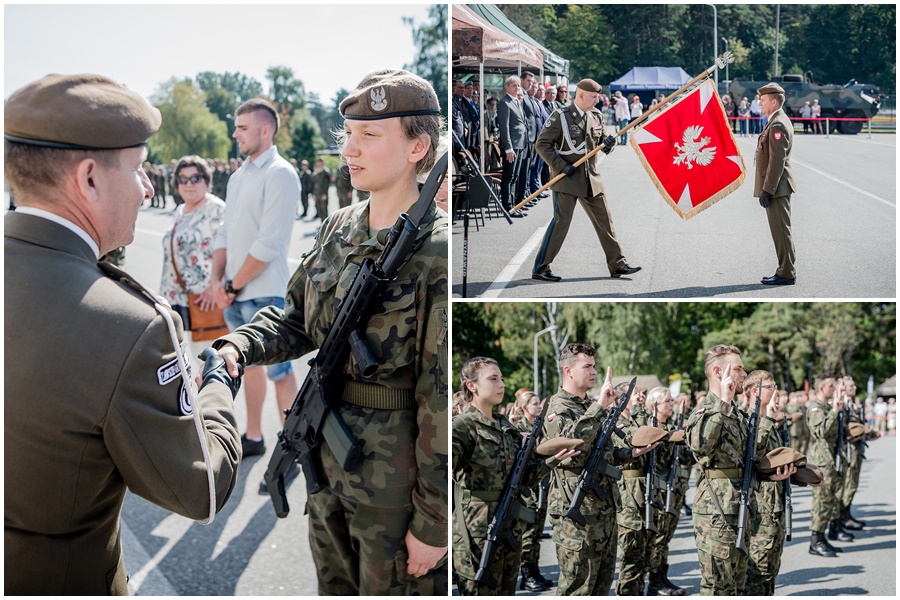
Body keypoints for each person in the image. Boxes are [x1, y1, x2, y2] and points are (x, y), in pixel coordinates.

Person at [4, 73, 242, 595]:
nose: (149, 186)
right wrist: (218, 385)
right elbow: (200, 488)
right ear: (89, 179)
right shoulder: (127, 325)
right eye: (137, 169)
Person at [214, 69, 448, 594]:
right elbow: (296, 318)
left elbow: (441, 396)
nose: (350, 150)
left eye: (370, 135)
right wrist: (238, 346)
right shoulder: (339, 226)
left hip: (395, 484)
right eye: (348, 134)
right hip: (325, 453)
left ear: (418, 147)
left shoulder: (438, 253)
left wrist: (433, 523)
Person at [212, 97, 300, 462]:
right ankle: (253, 435)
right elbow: (224, 232)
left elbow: (268, 243)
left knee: (280, 372)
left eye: (242, 128)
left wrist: (231, 285)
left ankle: (292, 448)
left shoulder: (280, 173)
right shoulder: (238, 175)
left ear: (265, 130)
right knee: (243, 366)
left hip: (265, 294)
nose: (235, 134)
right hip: (233, 291)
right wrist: (217, 280)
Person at [542, 343, 659, 595]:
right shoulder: (557, 408)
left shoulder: (588, 407)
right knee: (578, 587)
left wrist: (631, 453)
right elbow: (572, 450)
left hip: (604, 509)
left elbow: (604, 454)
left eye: (594, 366)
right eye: (587, 366)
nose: (593, 371)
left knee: (600, 586)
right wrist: (599, 408)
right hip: (577, 510)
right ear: (568, 371)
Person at [452, 360, 564, 595]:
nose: (501, 384)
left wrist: (553, 460)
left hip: (510, 530)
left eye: (501, 378)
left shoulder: (506, 428)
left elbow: (526, 478)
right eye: (493, 379)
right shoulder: (462, 427)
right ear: (472, 386)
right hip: (477, 536)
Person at [531, 79, 641, 282]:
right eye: (594, 97)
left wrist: (609, 144)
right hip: (567, 178)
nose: (597, 100)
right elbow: (542, 144)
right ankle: (541, 267)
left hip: (591, 178)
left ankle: (618, 264)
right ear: (580, 96)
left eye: (598, 96)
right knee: (561, 223)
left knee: (605, 222)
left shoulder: (596, 115)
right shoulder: (560, 116)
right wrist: (561, 166)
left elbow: (602, 142)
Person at [684, 344, 749, 595]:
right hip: (716, 509)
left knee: (737, 583)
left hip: (740, 504)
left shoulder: (736, 412)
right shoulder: (705, 410)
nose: (744, 374)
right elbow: (700, 446)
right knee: (718, 586)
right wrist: (723, 402)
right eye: (739, 369)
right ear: (717, 371)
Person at [160, 155, 227, 374]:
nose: (188, 184)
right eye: (183, 179)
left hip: (203, 300)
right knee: (183, 365)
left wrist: (214, 287)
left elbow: (232, 251)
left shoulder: (215, 209)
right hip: (177, 299)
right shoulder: (179, 211)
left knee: (206, 363)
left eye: (195, 178)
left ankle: (209, 407)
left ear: (207, 181)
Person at [743, 371, 798, 595]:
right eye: (770, 387)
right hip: (759, 508)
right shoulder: (747, 420)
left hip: (775, 504)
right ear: (755, 392)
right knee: (758, 569)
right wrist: (767, 419)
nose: (776, 391)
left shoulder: (771, 420)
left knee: (772, 567)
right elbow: (753, 453)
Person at [754, 83, 797, 286]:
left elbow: (776, 160)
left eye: (763, 101)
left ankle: (787, 273)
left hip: (777, 188)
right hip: (777, 187)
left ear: (773, 101)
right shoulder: (776, 121)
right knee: (781, 230)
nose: (760, 104)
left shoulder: (778, 124)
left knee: (781, 231)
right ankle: (785, 269)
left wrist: (767, 190)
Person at [514, 391, 555, 592]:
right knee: (528, 534)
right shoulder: (518, 429)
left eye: (540, 403)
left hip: (541, 486)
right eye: (535, 404)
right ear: (524, 408)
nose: (539, 407)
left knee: (538, 531)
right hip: (527, 490)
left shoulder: (540, 428)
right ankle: (527, 574)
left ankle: (535, 570)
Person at [807, 375, 849, 557]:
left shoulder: (828, 406)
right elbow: (821, 432)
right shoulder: (816, 407)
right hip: (822, 460)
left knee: (830, 499)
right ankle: (815, 541)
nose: (834, 388)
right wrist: (834, 411)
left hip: (832, 458)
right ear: (822, 388)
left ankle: (823, 538)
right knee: (821, 500)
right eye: (831, 386)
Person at [497, 75, 527, 217]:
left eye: (519, 85)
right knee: (509, 176)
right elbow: (504, 127)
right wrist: (508, 148)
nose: (517, 88)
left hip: (520, 144)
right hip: (512, 146)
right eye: (514, 85)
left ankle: (514, 205)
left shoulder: (516, 101)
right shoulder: (504, 103)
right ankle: (507, 207)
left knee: (515, 176)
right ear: (507, 87)